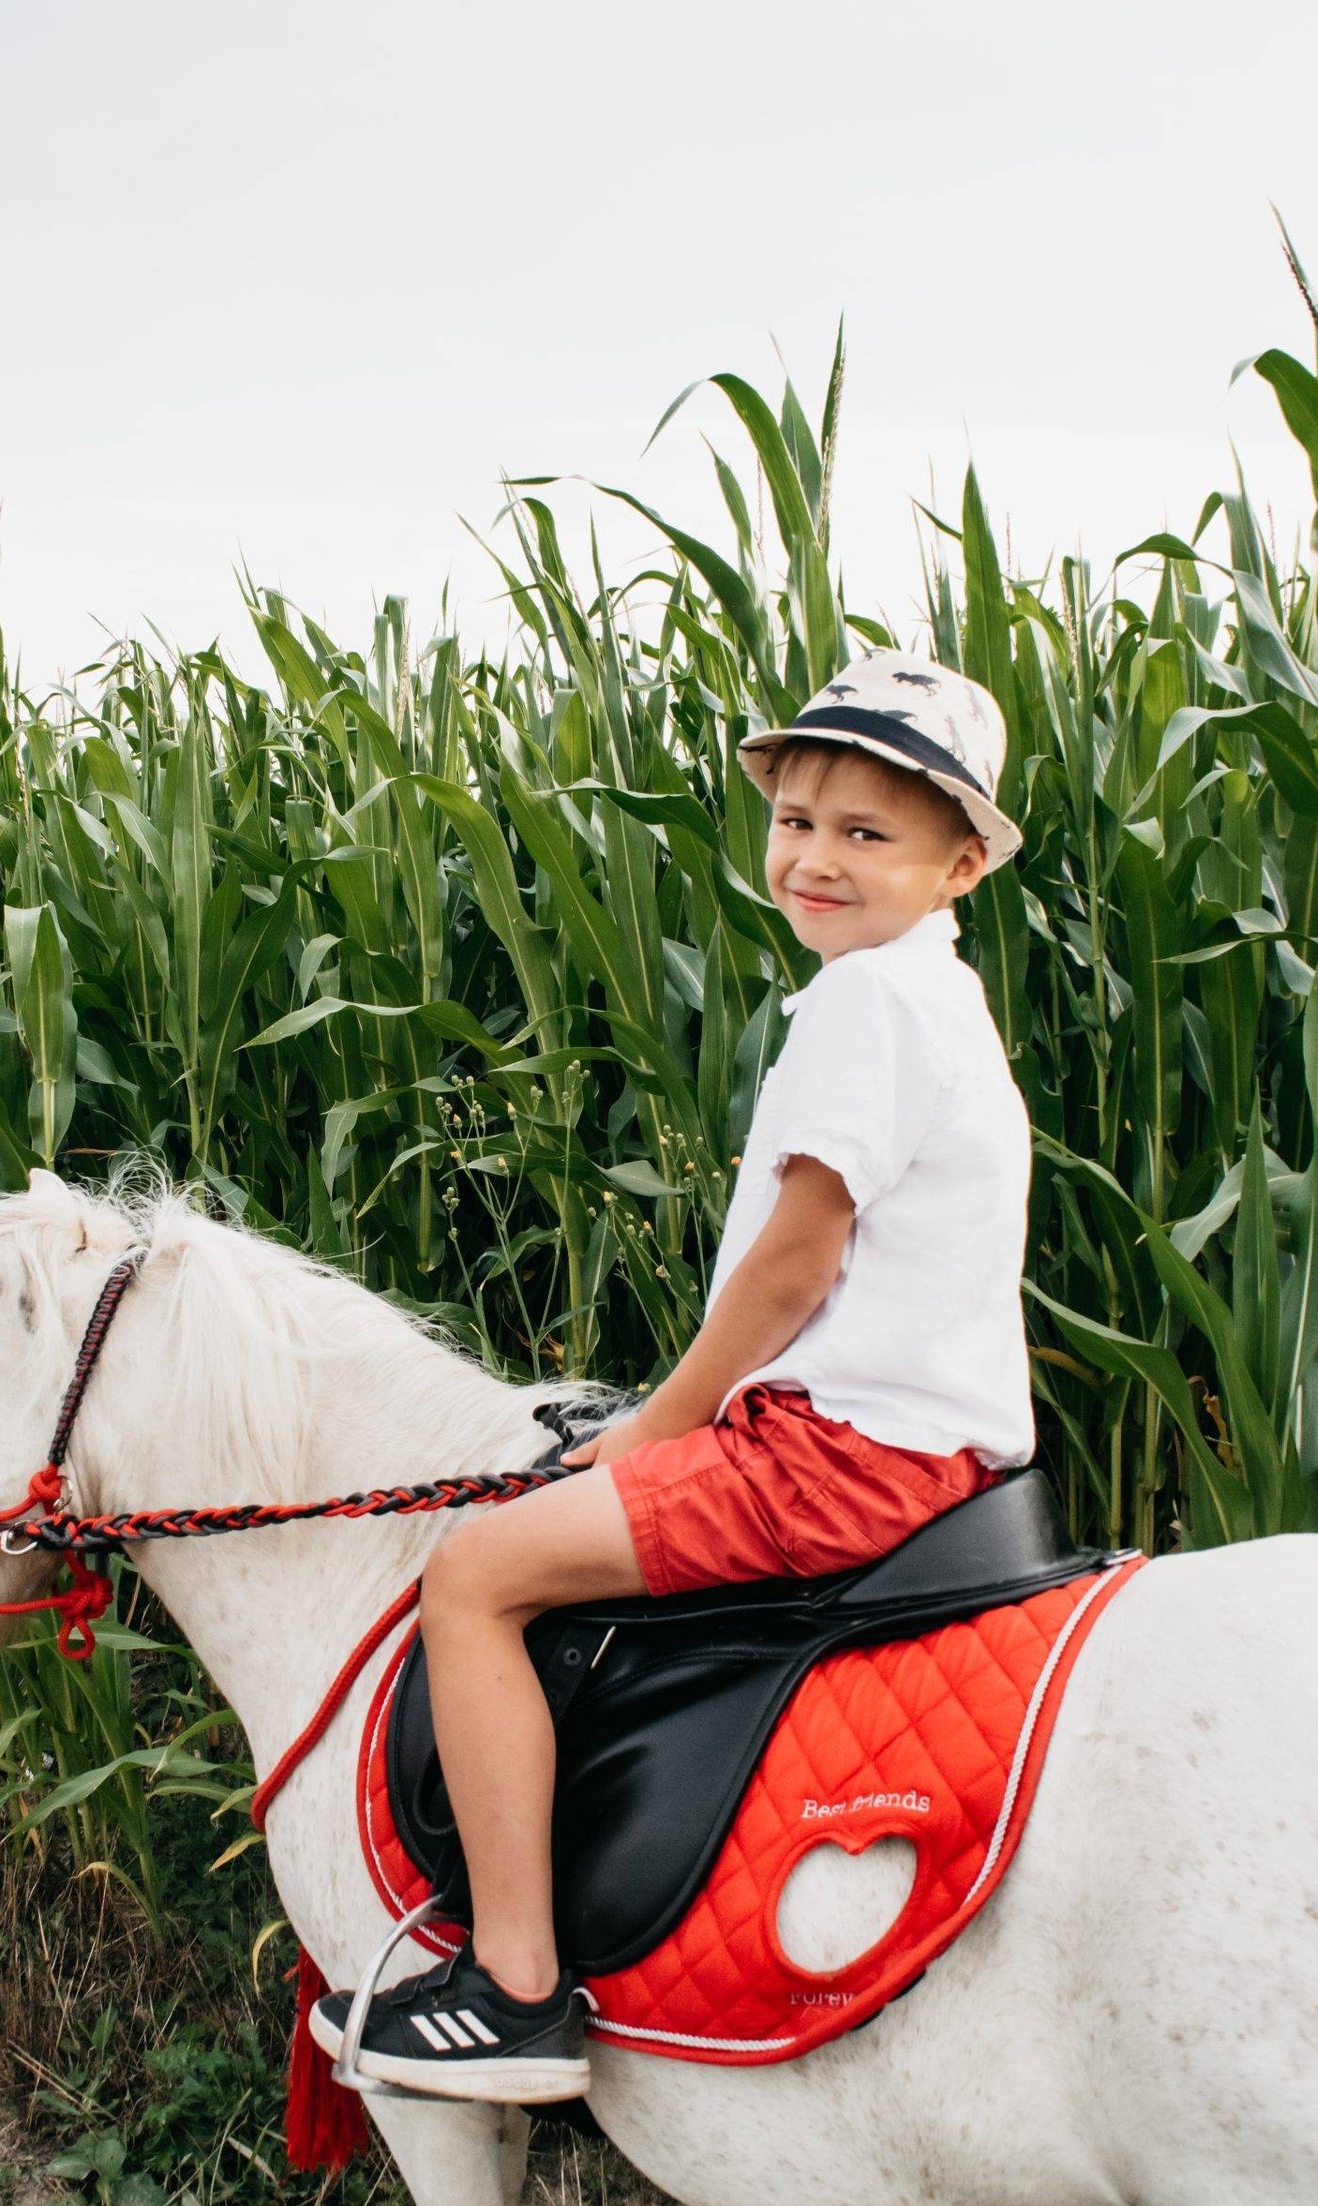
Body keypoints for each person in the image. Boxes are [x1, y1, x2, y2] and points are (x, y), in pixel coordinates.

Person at [310, 650, 1036, 2101]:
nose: (816, 858)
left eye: (867, 834)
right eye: (799, 821)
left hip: (840, 1455)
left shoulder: (868, 1006)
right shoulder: (929, 996)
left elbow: (796, 1264)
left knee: (473, 1578)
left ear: (959, 866)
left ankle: (512, 1987)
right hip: (905, 1435)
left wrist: (659, 1422)